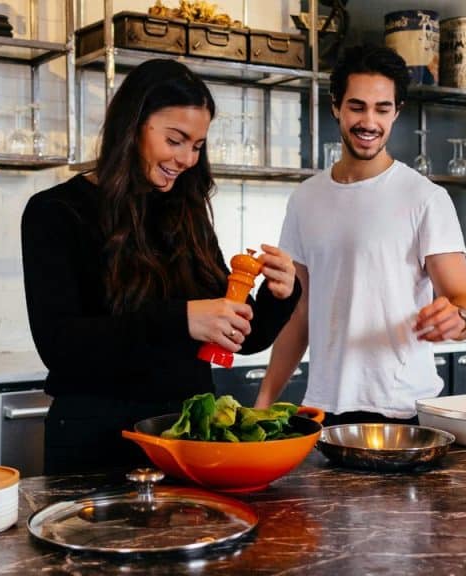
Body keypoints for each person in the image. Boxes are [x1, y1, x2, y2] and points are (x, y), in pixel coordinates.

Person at [21, 59, 301, 474]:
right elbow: (60, 347)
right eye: (176, 140)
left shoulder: (186, 212)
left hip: (187, 439)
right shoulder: (55, 212)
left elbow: (237, 337)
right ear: (132, 125)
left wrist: (279, 295)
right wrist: (182, 319)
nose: (188, 158)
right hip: (96, 443)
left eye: (198, 145)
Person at [254, 45, 466, 426]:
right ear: (335, 107)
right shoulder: (305, 199)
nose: (369, 121)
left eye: (382, 109)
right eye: (357, 106)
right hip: (325, 410)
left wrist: (458, 319)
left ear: (397, 112)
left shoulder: (425, 198)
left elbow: (465, 303)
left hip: (404, 410)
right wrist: (263, 403)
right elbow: (300, 313)